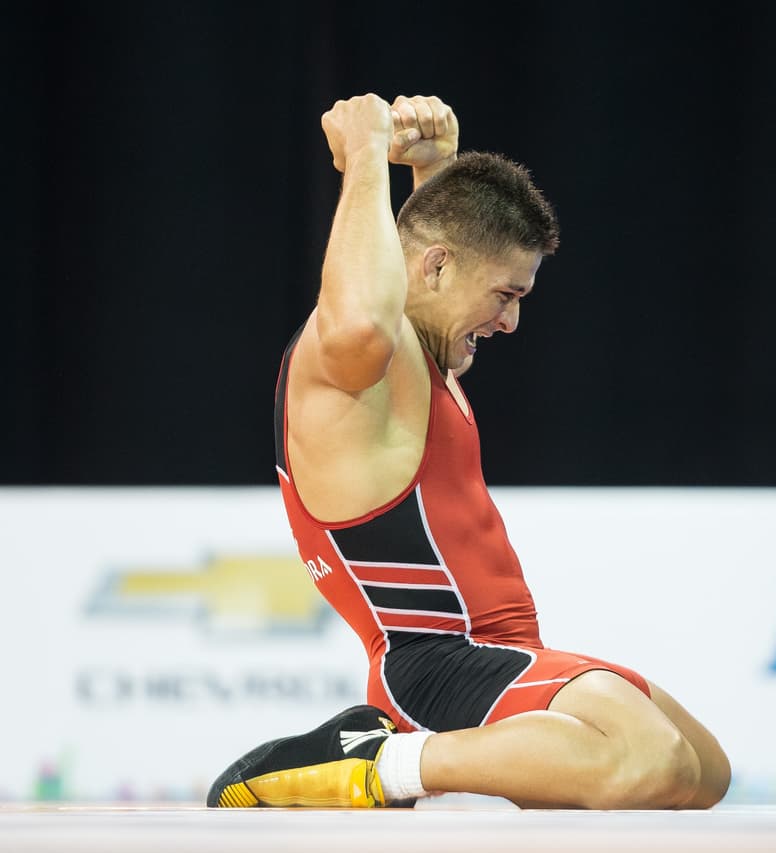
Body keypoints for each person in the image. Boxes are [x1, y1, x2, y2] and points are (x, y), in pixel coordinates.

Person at [205, 93, 731, 810]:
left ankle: (407, 759)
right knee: (647, 758)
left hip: (496, 653)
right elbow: (364, 310)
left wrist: (435, 170)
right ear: (439, 268)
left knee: (703, 769)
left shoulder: (425, 352)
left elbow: (426, 265)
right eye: (505, 294)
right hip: (431, 664)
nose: (510, 321)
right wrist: (365, 153)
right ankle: (371, 760)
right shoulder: (357, 356)